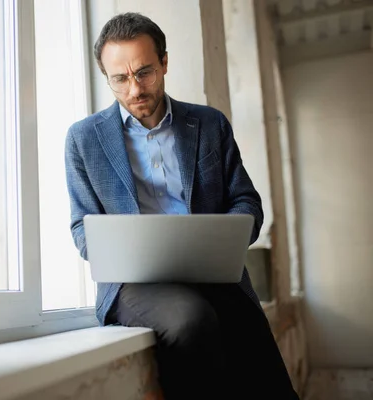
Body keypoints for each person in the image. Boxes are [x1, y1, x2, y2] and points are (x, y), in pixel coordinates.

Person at [64, 12, 299, 400]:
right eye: (119, 79)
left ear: (165, 63)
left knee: (249, 329)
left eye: (145, 73)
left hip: (212, 273)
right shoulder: (83, 139)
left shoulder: (209, 124)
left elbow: (245, 200)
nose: (134, 89)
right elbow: (80, 227)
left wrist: (226, 238)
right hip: (134, 284)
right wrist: (115, 251)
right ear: (106, 77)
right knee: (191, 319)